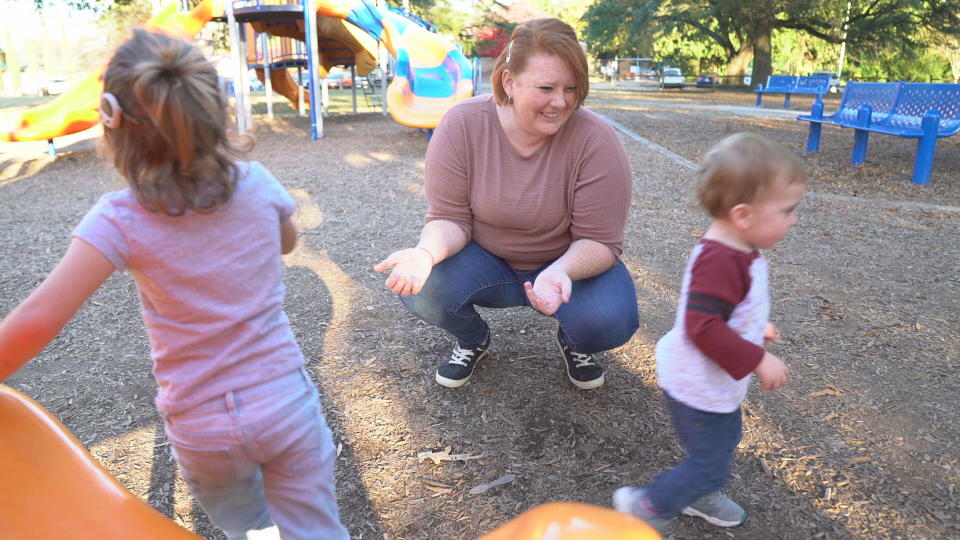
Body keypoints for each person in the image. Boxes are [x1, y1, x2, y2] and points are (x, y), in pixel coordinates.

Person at [0, 30, 348, 540]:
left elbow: (38, 319)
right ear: (214, 111)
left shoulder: (118, 219)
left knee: (246, 525)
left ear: (111, 121)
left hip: (201, 429)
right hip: (284, 406)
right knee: (316, 530)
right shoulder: (255, 182)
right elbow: (288, 242)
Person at [374, 18, 638, 390]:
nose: (560, 102)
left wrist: (561, 272)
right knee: (424, 288)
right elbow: (450, 218)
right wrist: (425, 254)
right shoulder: (462, 125)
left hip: (565, 266)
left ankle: (576, 341)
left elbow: (601, 241)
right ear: (508, 82)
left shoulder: (596, 140)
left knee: (609, 320)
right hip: (488, 263)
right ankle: (472, 338)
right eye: (546, 87)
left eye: (571, 88)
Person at [612, 132, 807, 533]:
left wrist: (753, 328)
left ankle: (698, 491)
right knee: (710, 458)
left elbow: (723, 311)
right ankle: (647, 505)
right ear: (743, 215)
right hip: (696, 383)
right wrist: (757, 357)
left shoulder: (737, 250)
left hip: (711, 381)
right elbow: (702, 326)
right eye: (787, 210)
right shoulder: (720, 261)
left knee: (722, 440)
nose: (794, 219)